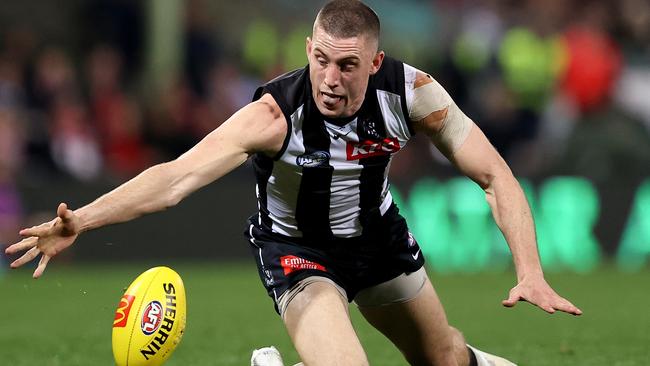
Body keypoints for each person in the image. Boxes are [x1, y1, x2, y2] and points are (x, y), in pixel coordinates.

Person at [6, 1, 582, 365]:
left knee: (447, 358)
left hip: (377, 241)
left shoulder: (413, 95)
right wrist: (82, 218)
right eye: (322, 60)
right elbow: (175, 178)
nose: (331, 79)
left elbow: (495, 175)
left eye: (348, 66)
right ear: (309, 49)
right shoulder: (273, 115)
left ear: (375, 63)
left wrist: (529, 271)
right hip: (297, 253)